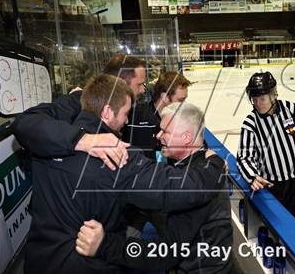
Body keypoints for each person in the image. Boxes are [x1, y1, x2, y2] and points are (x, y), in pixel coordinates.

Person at [24, 76, 225, 274]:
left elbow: (25, 120)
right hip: (88, 265)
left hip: (40, 261)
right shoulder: (118, 156)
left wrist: (77, 98)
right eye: (126, 113)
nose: (128, 121)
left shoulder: (47, 140)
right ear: (107, 112)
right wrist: (216, 163)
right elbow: (184, 189)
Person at [75, 102, 232, 274]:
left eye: (165, 131)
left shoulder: (196, 184)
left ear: (187, 137)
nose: (158, 136)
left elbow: (165, 254)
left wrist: (105, 245)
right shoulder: (197, 166)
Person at [12, 53, 147, 170]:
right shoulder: (77, 102)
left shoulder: (132, 109)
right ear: (121, 82)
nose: (143, 90)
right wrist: (84, 140)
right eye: (140, 84)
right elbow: (24, 124)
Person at [237, 72, 295, 224]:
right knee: (274, 225)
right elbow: (244, 156)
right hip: (270, 186)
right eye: (254, 99)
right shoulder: (250, 123)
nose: (258, 103)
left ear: (274, 95)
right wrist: (252, 176)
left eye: (262, 98)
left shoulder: (292, 110)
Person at [123, 71, 192, 160]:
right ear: (165, 97)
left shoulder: (183, 121)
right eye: (181, 100)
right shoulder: (133, 117)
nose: (184, 105)